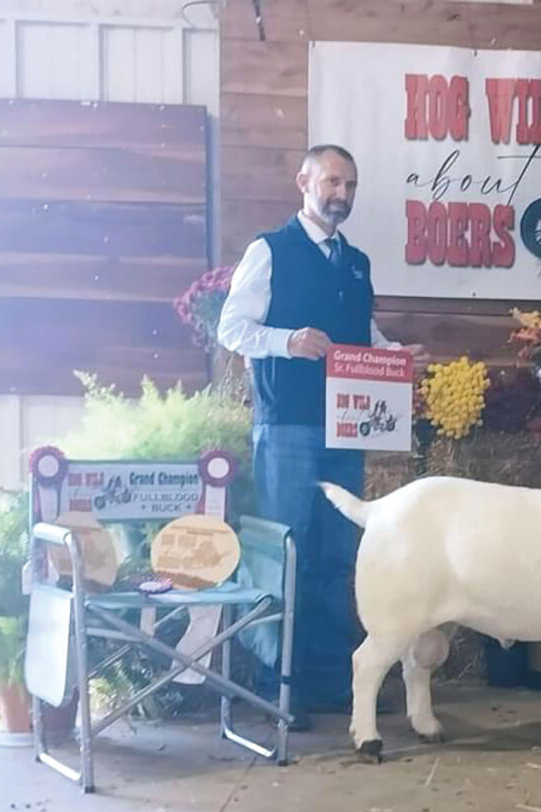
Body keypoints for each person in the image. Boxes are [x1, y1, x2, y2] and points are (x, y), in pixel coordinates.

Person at [218, 144, 427, 730]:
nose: (342, 193)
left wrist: (392, 356)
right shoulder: (269, 250)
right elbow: (231, 328)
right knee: (288, 551)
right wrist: (286, 341)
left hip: (345, 427)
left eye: (351, 185)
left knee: (339, 554)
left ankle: (335, 682)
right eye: (333, 181)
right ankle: (277, 686)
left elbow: (362, 332)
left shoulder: (355, 262)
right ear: (304, 182)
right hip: (287, 423)